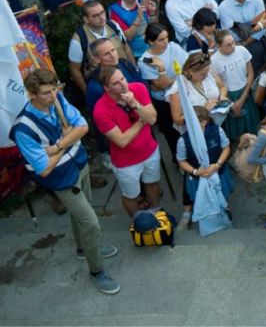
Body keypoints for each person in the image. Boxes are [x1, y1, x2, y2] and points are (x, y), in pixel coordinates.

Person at [12, 69, 121, 295]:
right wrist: (69, 138)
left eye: (54, 89)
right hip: (61, 179)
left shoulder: (58, 99)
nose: (53, 96)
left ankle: (83, 248)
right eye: (46, 93)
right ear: (31, 94)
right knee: (90, 223)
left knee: (82, 212)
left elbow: (83, 127)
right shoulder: (23, 129)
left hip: (79, 164)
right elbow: (43, 169)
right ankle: (96, 270)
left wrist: (57, 146)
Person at [93, 66, 161, 218]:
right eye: (116, 83)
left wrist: (135, 104)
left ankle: (156, 210)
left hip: (150, 151)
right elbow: (122, 141)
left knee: (152, 183)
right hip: (127, 162)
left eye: (123, 78)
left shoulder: (138, 88)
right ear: (106, 88)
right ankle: (137, 220)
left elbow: (153, 118)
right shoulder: (101, 110)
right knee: (131, 195)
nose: (123, 84)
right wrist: (142, 120)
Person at [175, 106, 233, 224]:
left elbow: (226, 148)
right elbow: (181, 161)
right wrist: (196, 172)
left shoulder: (217, 131)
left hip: (219, 173)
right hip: (198, 178)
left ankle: (223, 209)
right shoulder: (183, 140)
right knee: (202, 199)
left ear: (204, 121)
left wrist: (217, 164)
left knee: (221, 192)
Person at [210, 30, 260, 143]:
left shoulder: (241, 50)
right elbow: (218, 86)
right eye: (228, 45)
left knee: (251, 124)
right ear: (219, 46)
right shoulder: (214, 60)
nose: (232, 46)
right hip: (228, 96)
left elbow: (250, 74)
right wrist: (230, 103)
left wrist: (243, 96)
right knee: (236, 127)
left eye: (233, 42)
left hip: (245, 91)